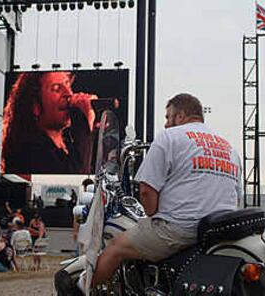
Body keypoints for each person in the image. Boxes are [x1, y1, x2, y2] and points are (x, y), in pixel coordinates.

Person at [89, 93, 242, 288]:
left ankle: (81, 291)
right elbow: (236, 197)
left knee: (116, 247)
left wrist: (152, 214)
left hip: (181, 229)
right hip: (219, 231)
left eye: (168, 117)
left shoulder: (170, 137)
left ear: (180, 116)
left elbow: (146, 190)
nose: (167, 124)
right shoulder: (228, 148)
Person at [1, 71, 98, 174]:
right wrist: (85, 123)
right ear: (35, 106)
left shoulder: (68, 143)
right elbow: (73, 182)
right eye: (56, 89)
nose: (68, 94)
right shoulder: (29, 150)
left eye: (67, 84)